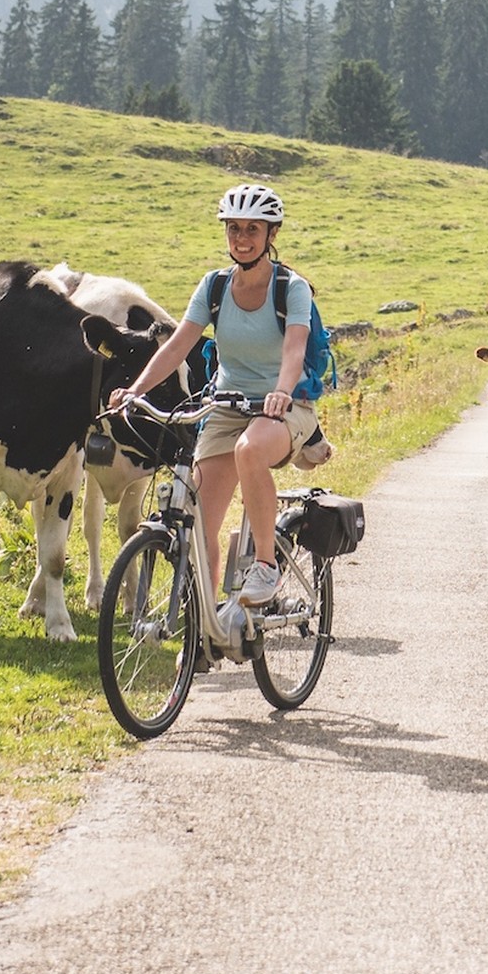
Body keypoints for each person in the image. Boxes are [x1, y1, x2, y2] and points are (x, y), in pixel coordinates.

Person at [108, 182, 320, 646]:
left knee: (250, 452)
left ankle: (265, 564)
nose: (242, 238)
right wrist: (135, 390)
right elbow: (179, 343)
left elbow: (294, 348)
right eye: (234, 229)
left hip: (286, 406)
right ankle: (207, 630)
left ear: (271, 233)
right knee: (198, 518)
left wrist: (282, 393)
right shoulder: (215, 286)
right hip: (226, 405)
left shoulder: (291, 288)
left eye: (252, 229)